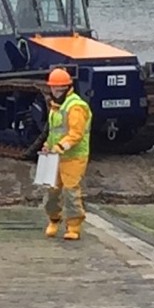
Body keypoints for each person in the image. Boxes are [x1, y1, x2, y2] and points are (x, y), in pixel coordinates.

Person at [42, 67, 91, 240]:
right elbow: (54, 131)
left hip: (74, 156)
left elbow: (76, 134)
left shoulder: (75, 106)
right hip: (56, 155)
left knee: (71, 192)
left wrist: (60, 147)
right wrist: (48, 145)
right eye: (55, 88)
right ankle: (54, 220)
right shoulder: (55, 107)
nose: (57, 91)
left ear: (67, 87)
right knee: (52, 191)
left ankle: (74, 226)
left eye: (60, 88)